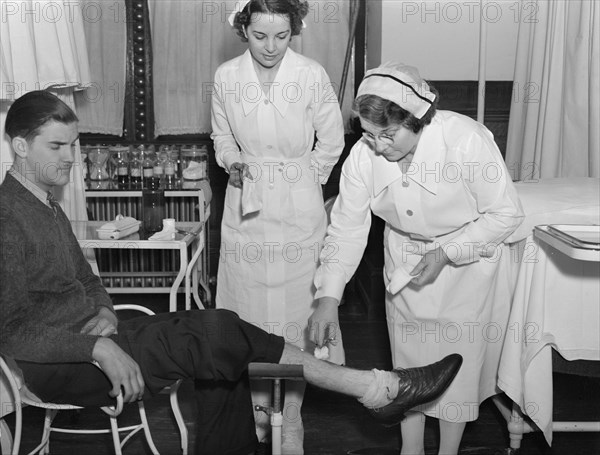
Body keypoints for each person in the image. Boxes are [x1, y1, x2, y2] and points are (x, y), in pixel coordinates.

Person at [0, 90, 463, 455]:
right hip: (57, 367)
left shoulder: (45, 203)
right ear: (20, 146)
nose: (69, 158)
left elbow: (85, 279)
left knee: (222, 342)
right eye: (56, 146)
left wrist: (101, 308)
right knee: (218, 334)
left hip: (90, 341)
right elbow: (13, 332)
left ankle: (370, 391)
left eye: (72, 146)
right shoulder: (7, 217)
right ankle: (375, 387)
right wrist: (98, 346)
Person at [309, 62, 525, 455]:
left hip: (468, 266)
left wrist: (447, 252)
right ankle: (411, 450)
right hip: (405, 261)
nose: (377, 145)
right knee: (408, 368)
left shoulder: (466, 140)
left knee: (456, 368)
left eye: (388, 135)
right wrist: (327, 298)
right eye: (369, 134)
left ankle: (448, 451)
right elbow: (346, 228)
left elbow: (506, 213)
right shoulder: (363, 155)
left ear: (417, 119)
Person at [211, 0, 345, 451]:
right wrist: (232, 161)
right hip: (246, 201)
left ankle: (293, 415)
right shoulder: (227, 76)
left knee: (297, 317)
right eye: (260, 36)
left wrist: (305, 182)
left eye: (281, 36)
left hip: (297, 204)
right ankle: (256, 413)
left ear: (295, 31)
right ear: (243, 30)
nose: (271, 47)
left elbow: (332, 141)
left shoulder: (310, 74)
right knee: (247, 316)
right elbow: (221, 136)